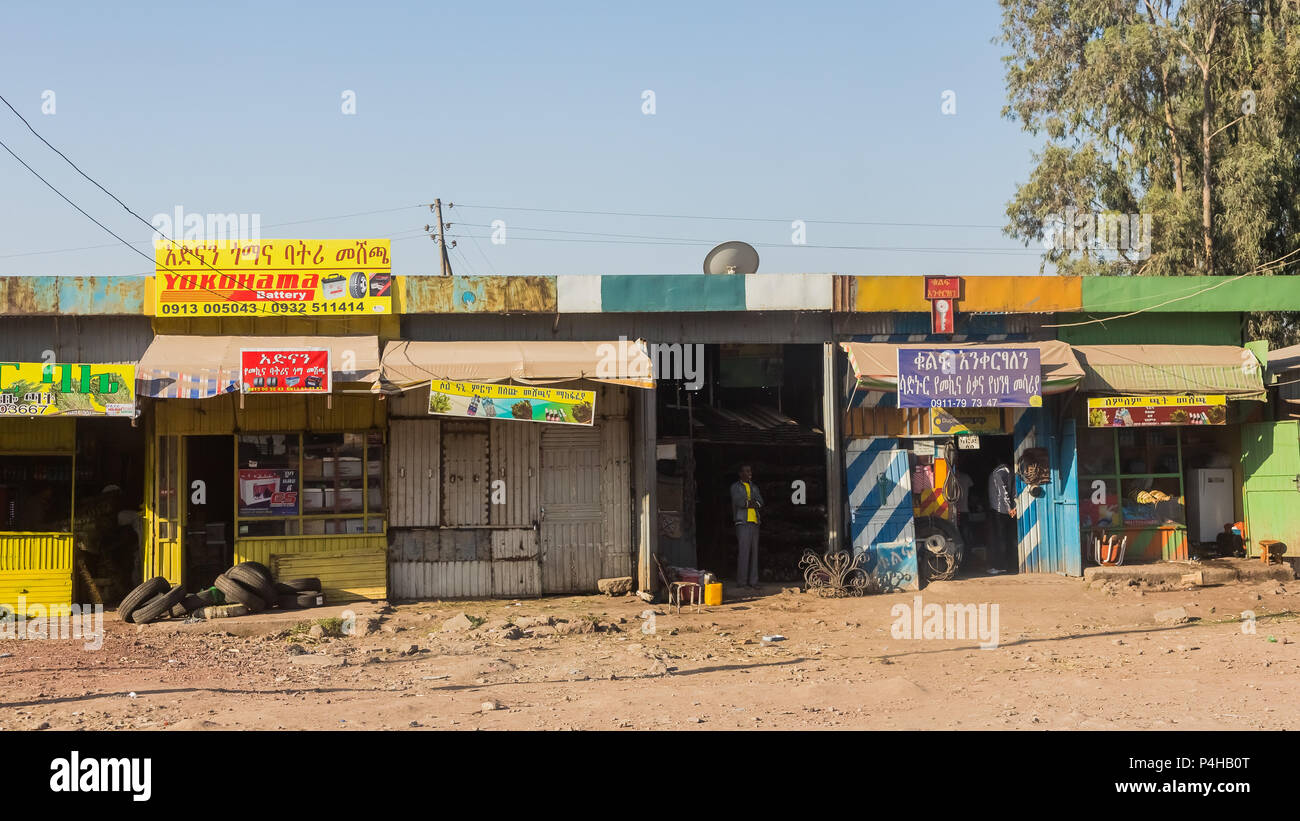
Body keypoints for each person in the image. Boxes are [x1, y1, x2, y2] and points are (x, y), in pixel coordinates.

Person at [730, 465, 764, 588]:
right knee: (744, 553)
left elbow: (761, 502)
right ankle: (742, 582)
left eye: (750, 470)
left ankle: (753, 582)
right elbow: (739, 502)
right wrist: (751, 503)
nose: (750, 473)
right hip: (742, 522)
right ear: (740, 473)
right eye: (746, 471)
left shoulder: (754, 487)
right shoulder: (735, 487)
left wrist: (750, 503)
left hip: (754, 522)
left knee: (754, 553)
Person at [987, 462, 1017, 574]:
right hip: (1009, 511)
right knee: (1009, 538)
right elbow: (1014, 492)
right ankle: (1010, 565)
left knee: (999, 539)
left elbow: (1002, 492)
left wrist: (1009, 508)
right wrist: (1014, 507)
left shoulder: (998, 473)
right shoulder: (1011, 473)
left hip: (999, 510)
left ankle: (999, 566)